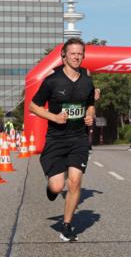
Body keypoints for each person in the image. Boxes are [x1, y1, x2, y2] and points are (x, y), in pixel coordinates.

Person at [28, 37, 96, 242]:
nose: (76, 57)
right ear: (63, 56)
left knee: (75, 181)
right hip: (56, 139)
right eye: (72, 53)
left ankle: (66, 226)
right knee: (58, 187)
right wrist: (54, 117)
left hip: (79, 138)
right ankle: (51, 188)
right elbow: (33, 106)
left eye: (80, 54)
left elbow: (90, 105)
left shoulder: (87, 81)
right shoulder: (52, 81)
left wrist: (90, 115)